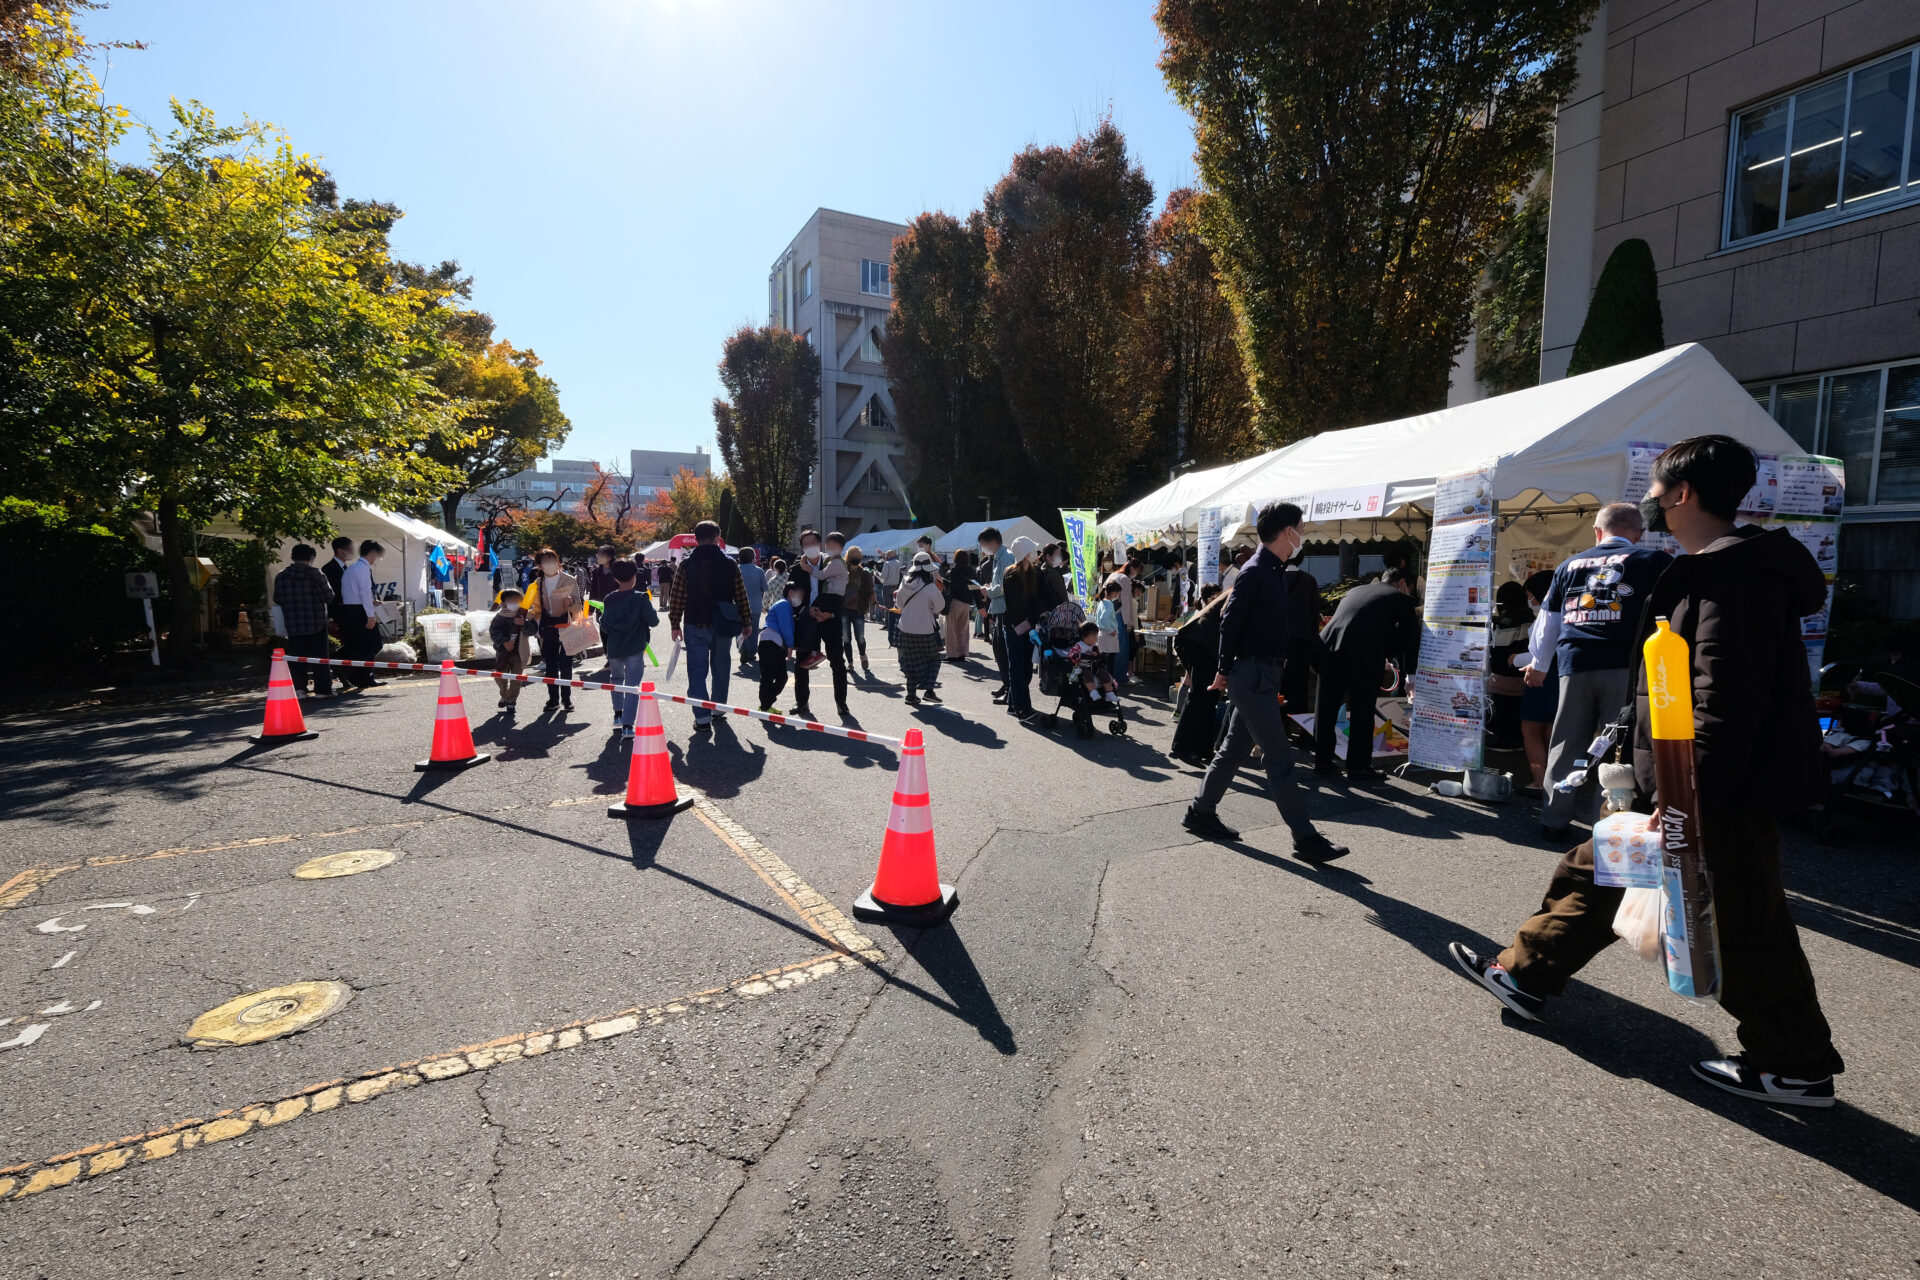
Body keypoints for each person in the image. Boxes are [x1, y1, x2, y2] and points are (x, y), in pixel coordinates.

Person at [1453, 435, 1843, 1107]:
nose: (1653, 505)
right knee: (1602, 865)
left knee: (1747, 922)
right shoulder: (1724, 570)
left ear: (1683, 494)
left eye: (1657, 494)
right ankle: (1524, 972)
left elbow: (1723, 702)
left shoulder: (1733, 578)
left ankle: (1794, 1063)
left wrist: (1686, 797)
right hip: (1689, 777)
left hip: (1713, 786)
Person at [1183, 502, 1349, 864]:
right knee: (1279, 757)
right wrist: (1224, 670)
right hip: (1252, 674)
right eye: (1300, 528)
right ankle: (1305, 838)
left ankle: (1200, 811)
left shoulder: (1271, 570)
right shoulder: (1256, 571)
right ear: (1287, 531)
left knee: (1233, 750)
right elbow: (1229, 623)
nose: (1303, 534)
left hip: (1261, 673)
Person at [1524, 502, 1672, 841]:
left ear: (1597, 532)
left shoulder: (1569, 565)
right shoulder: (1654, 561)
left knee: (1566, 743)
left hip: (1574, 663)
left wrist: (1540, 666)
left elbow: (1548, 623)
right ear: (1638, 533)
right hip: (1625, 667)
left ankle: (1553, 819)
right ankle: (1604, 826)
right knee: (1614, 748)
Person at [1312, 567, 1419, 783]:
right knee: (1362, 710)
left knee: (1326, 709)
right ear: (1402, 584)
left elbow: (1367, 623)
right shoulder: (1401, 599)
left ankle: (1322, 762)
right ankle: (1358, 767)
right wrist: (1411, 677)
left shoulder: (1356, 590)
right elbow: (1410, 639)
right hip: (1362, 657)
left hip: (1328, 650)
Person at [668, 520, 752, 731]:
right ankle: (718, 709)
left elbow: (677, 596)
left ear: (696, 539)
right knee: (721, 667)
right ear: (718, 537)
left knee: (696, 671)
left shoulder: (686, 564)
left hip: (695, 622)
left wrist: (675, 623)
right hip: (723, 623)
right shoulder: (730, 564)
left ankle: (702, 717)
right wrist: (746, 621)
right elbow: (740, 595)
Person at [1512, 570, 1559, 793]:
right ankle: (1555, 781)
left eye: (1530, 595)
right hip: (1562, 678)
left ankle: (1540, 781)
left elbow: (1540, 653)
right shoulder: (1571, 613)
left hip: (1540, 678)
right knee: (1553, 730)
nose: (1529, 601)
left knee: (1531, 728)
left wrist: (1514, 659)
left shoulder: (1544, 618)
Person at [1169, 584, 1226, 767]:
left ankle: (1203, 749)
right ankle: (1182, 747)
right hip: (1200, 642)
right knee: (1200, 694)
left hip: (1201, 641)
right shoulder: (1247, 588)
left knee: (1210, 697)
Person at [600, 560, 658, 738]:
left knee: (616, 679)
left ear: (615, 578)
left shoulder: (609, 599)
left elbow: (604, 625)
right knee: (633, 686)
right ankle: (627, 725)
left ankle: (618, 716)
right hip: (635, 646)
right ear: (634, 576)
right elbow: (654, 622)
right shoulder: (640, 598)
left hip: (615, 646)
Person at [274, 544, 335, 697]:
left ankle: (299, 689)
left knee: (296, 657)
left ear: (292, 557)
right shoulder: (316, 574)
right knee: (319, 658)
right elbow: (328, 596)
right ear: (311, 558)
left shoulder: (281, 576)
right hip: (316, 623)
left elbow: (277, 599)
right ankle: (322, 690)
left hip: (293, 624)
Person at [528, 547, 583, 713]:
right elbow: (535, 608)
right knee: (551, 666)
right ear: (539, 565)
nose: (550, 564)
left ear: (558, 562)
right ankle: (553, 699)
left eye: (553, 560)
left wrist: (571, 603)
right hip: (547, 627)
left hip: (567, 626)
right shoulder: (536, 584)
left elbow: (578, 605)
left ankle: (566, 699)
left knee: (566, 665)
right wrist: (527, 616)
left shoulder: (569, 580)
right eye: (545, 561)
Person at [1000, 536, 1045, 722]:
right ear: (1026, 553)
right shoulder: (1010, 574)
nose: (1035, 553)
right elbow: (1015, 605)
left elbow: (1041, 598)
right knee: (1018, 668)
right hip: (1014, 626)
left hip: (1028, 626)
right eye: (1032, 550)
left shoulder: (1037, 572)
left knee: (1026, 668)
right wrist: (1032, 618)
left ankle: (1013, 704)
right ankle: (1022, 709)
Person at [894, 552, 946, 705]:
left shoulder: (904, 582)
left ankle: (911, 695)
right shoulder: (930, 587)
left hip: (906, 628)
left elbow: (899, 605)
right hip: (925, 629)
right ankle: (929, 690)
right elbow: (939, 606)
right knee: (934, 659)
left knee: (911, 661)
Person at [323, 536, 374, 690]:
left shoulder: (349, 568)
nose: (353, 552)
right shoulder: (328, 569)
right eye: (351, 549)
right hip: (341, 614)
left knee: (360, 644)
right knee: (354, 644)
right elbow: (331, 596)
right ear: (340, 551)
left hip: (353, 612)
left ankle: (360, 677)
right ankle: (343, 668)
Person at [339, 539, 387, 688]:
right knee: (374, 644)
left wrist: (370, 603)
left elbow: (355, 593)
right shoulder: (362, 569)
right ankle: (352, 671)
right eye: (377, 555)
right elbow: (365, 593)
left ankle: (358, 676)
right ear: (372, 553)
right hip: (359, 611)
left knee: (360, 645)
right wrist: (370, 615)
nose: (377, 559)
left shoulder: (352, 568)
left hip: (351, 609)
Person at [976, 528, 1015, 702]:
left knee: (1003, 652)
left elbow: (1003, 586)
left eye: (983, 544)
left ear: (991, 542)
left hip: (1004, 608)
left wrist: (987, 590)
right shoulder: (999, 556)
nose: (982, 548)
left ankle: (1010, 689)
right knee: (999, 650)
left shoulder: (1005, 556)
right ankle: (1006, 684)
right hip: (999, 608)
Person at [757, 579, 805, 712]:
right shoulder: (783, 604)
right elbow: (785, 626)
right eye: (800, 594)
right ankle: (765, 706)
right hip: (770, 643)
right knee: (769, 677)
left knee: (781, 677)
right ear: (791, 593)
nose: (801, 598)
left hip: (775, 645)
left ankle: (765, 704)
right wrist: (790, 645)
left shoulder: (786, 606)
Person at [1280, 560, 1323, 710]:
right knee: (1300, 681)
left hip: (1279, 640)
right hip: (1302, 641)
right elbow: (1314, 611)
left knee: (1280, 681)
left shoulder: (1276, 578)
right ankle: (1300, 716)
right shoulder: (1309, 579)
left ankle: (1281, 719)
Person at [489, 587, 532, 712]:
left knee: (516, 679)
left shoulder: (525, 615)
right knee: (500, 676)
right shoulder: (499, 617)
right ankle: (504, 695)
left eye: (517, 600)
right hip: (502, 652)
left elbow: (532, 630)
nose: (514, 603)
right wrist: (504, 642)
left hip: (519, 653)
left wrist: (523, 624)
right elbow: (494, 632)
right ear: (503, 603)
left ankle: (512, 701)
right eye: (511, 600)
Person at [1104, 559, 1141, 684]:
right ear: (1132, 569)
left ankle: (1109, 676)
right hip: (1119, 616)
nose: (1136, 573)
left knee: (1110, 647)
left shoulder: (1112, 575)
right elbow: (1126, 602)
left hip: (1108, 614)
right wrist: (1129, 621)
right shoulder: (1125, 579)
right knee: (1121, 647)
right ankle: (1119, 676)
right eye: (1137, 570)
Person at [1066, 621, 1120, 705]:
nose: (1096, 638)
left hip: (1094, 667)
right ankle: (1092, 691)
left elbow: (1098, 655)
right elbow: (1070, 654)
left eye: (1097, 635)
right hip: (1082, 667)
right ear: (1085, 637)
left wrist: (1099, 655)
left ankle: (1109, 692)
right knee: (1087, 675)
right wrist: (1078, 655)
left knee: (1104, 674)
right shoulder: (1079, 646)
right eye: (1094, 635)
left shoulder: (1095, 646)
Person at [843, 547, 876, 679]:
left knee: (860, 637)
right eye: (855, 556)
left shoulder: (865, 573)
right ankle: (850, 663)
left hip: (858, 610)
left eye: (859, 556)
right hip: (843, 610)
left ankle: (863, 655)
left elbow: (870, 590)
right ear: (849, 558)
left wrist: (874, 600)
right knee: (846, 638)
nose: (858, 558)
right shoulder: (842, 572)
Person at [737, 547, 766, 668]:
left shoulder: (736, 570)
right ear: (753, 558)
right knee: (753, 630)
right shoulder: (759, 571)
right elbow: (764, 588)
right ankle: (752, 653)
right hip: (755, 605)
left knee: (740, 629)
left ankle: (743, 648)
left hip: (738, 605)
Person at [944, 549, 974, 661]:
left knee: (951, 628)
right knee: (963, 628)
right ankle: (963, 652)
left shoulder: (954, 571)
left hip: (955, 601)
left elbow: (952, 586)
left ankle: (952, 654)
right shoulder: (971, 571)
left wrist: (941, 579)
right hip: (967, 602)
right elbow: (974, 587)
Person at [878, 549, 904, 643]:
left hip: (887, 586)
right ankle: (893, 623)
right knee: (895, 606)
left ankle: (888, 624)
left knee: (887, 606)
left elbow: (883, 576)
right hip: (896, 586)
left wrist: (878, 574)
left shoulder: (887, 563)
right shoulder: (898, 562)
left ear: (888, 556)